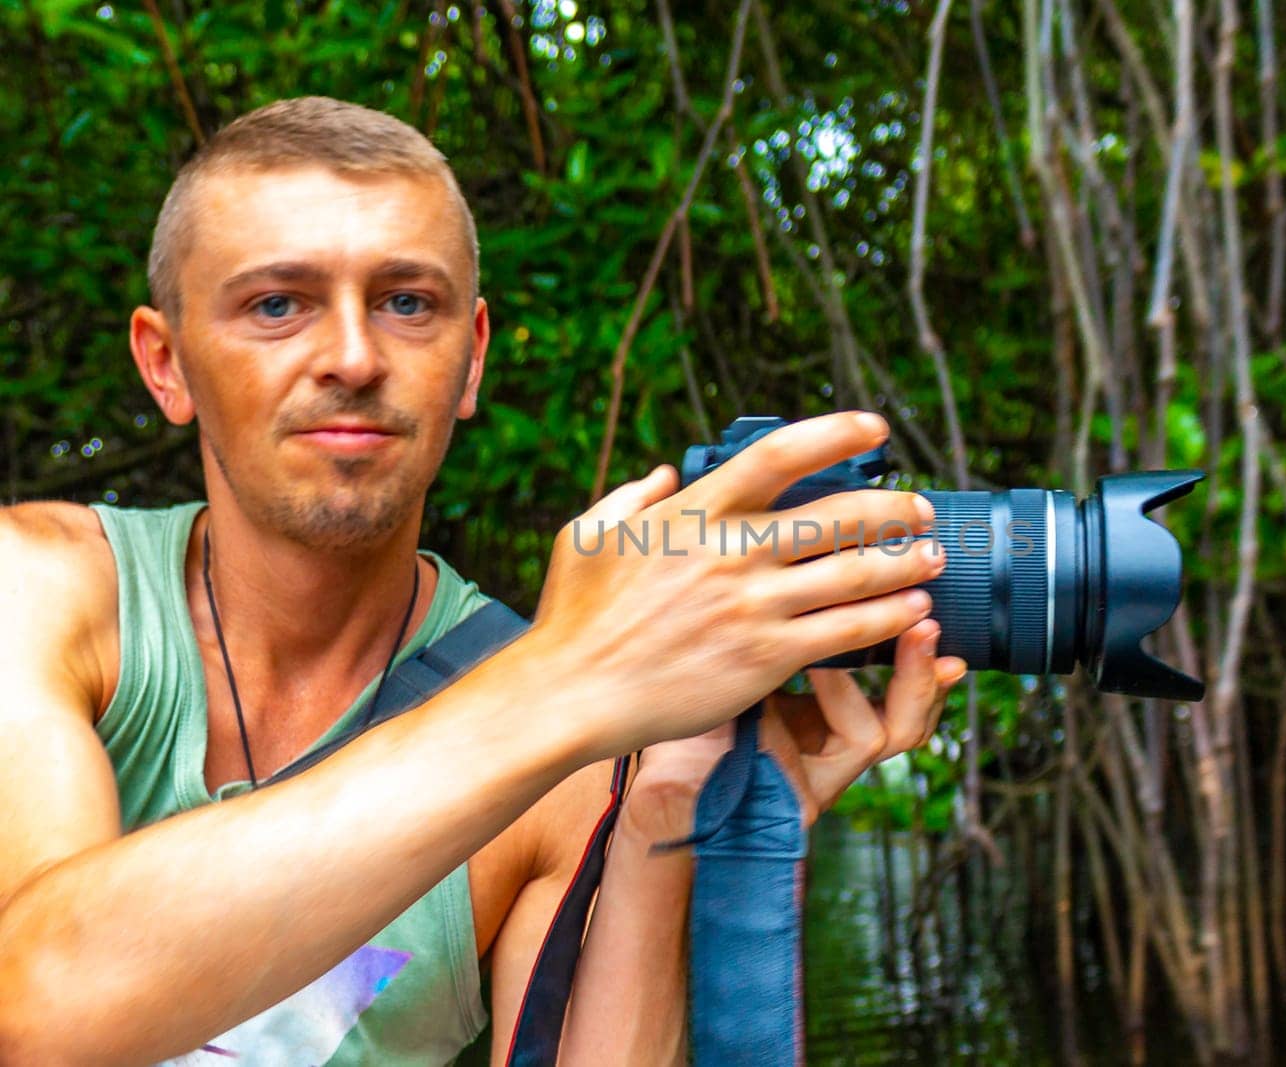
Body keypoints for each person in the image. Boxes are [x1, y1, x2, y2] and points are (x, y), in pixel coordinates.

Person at [0, 97, 967, 1065]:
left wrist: (672, 808)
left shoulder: (574, 754)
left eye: (407, 302)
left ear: (471, 359)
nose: (351, 356)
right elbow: (34, 1005)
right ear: (165, 363)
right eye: (277, 304)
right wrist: (568, 678)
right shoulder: (39, 587)